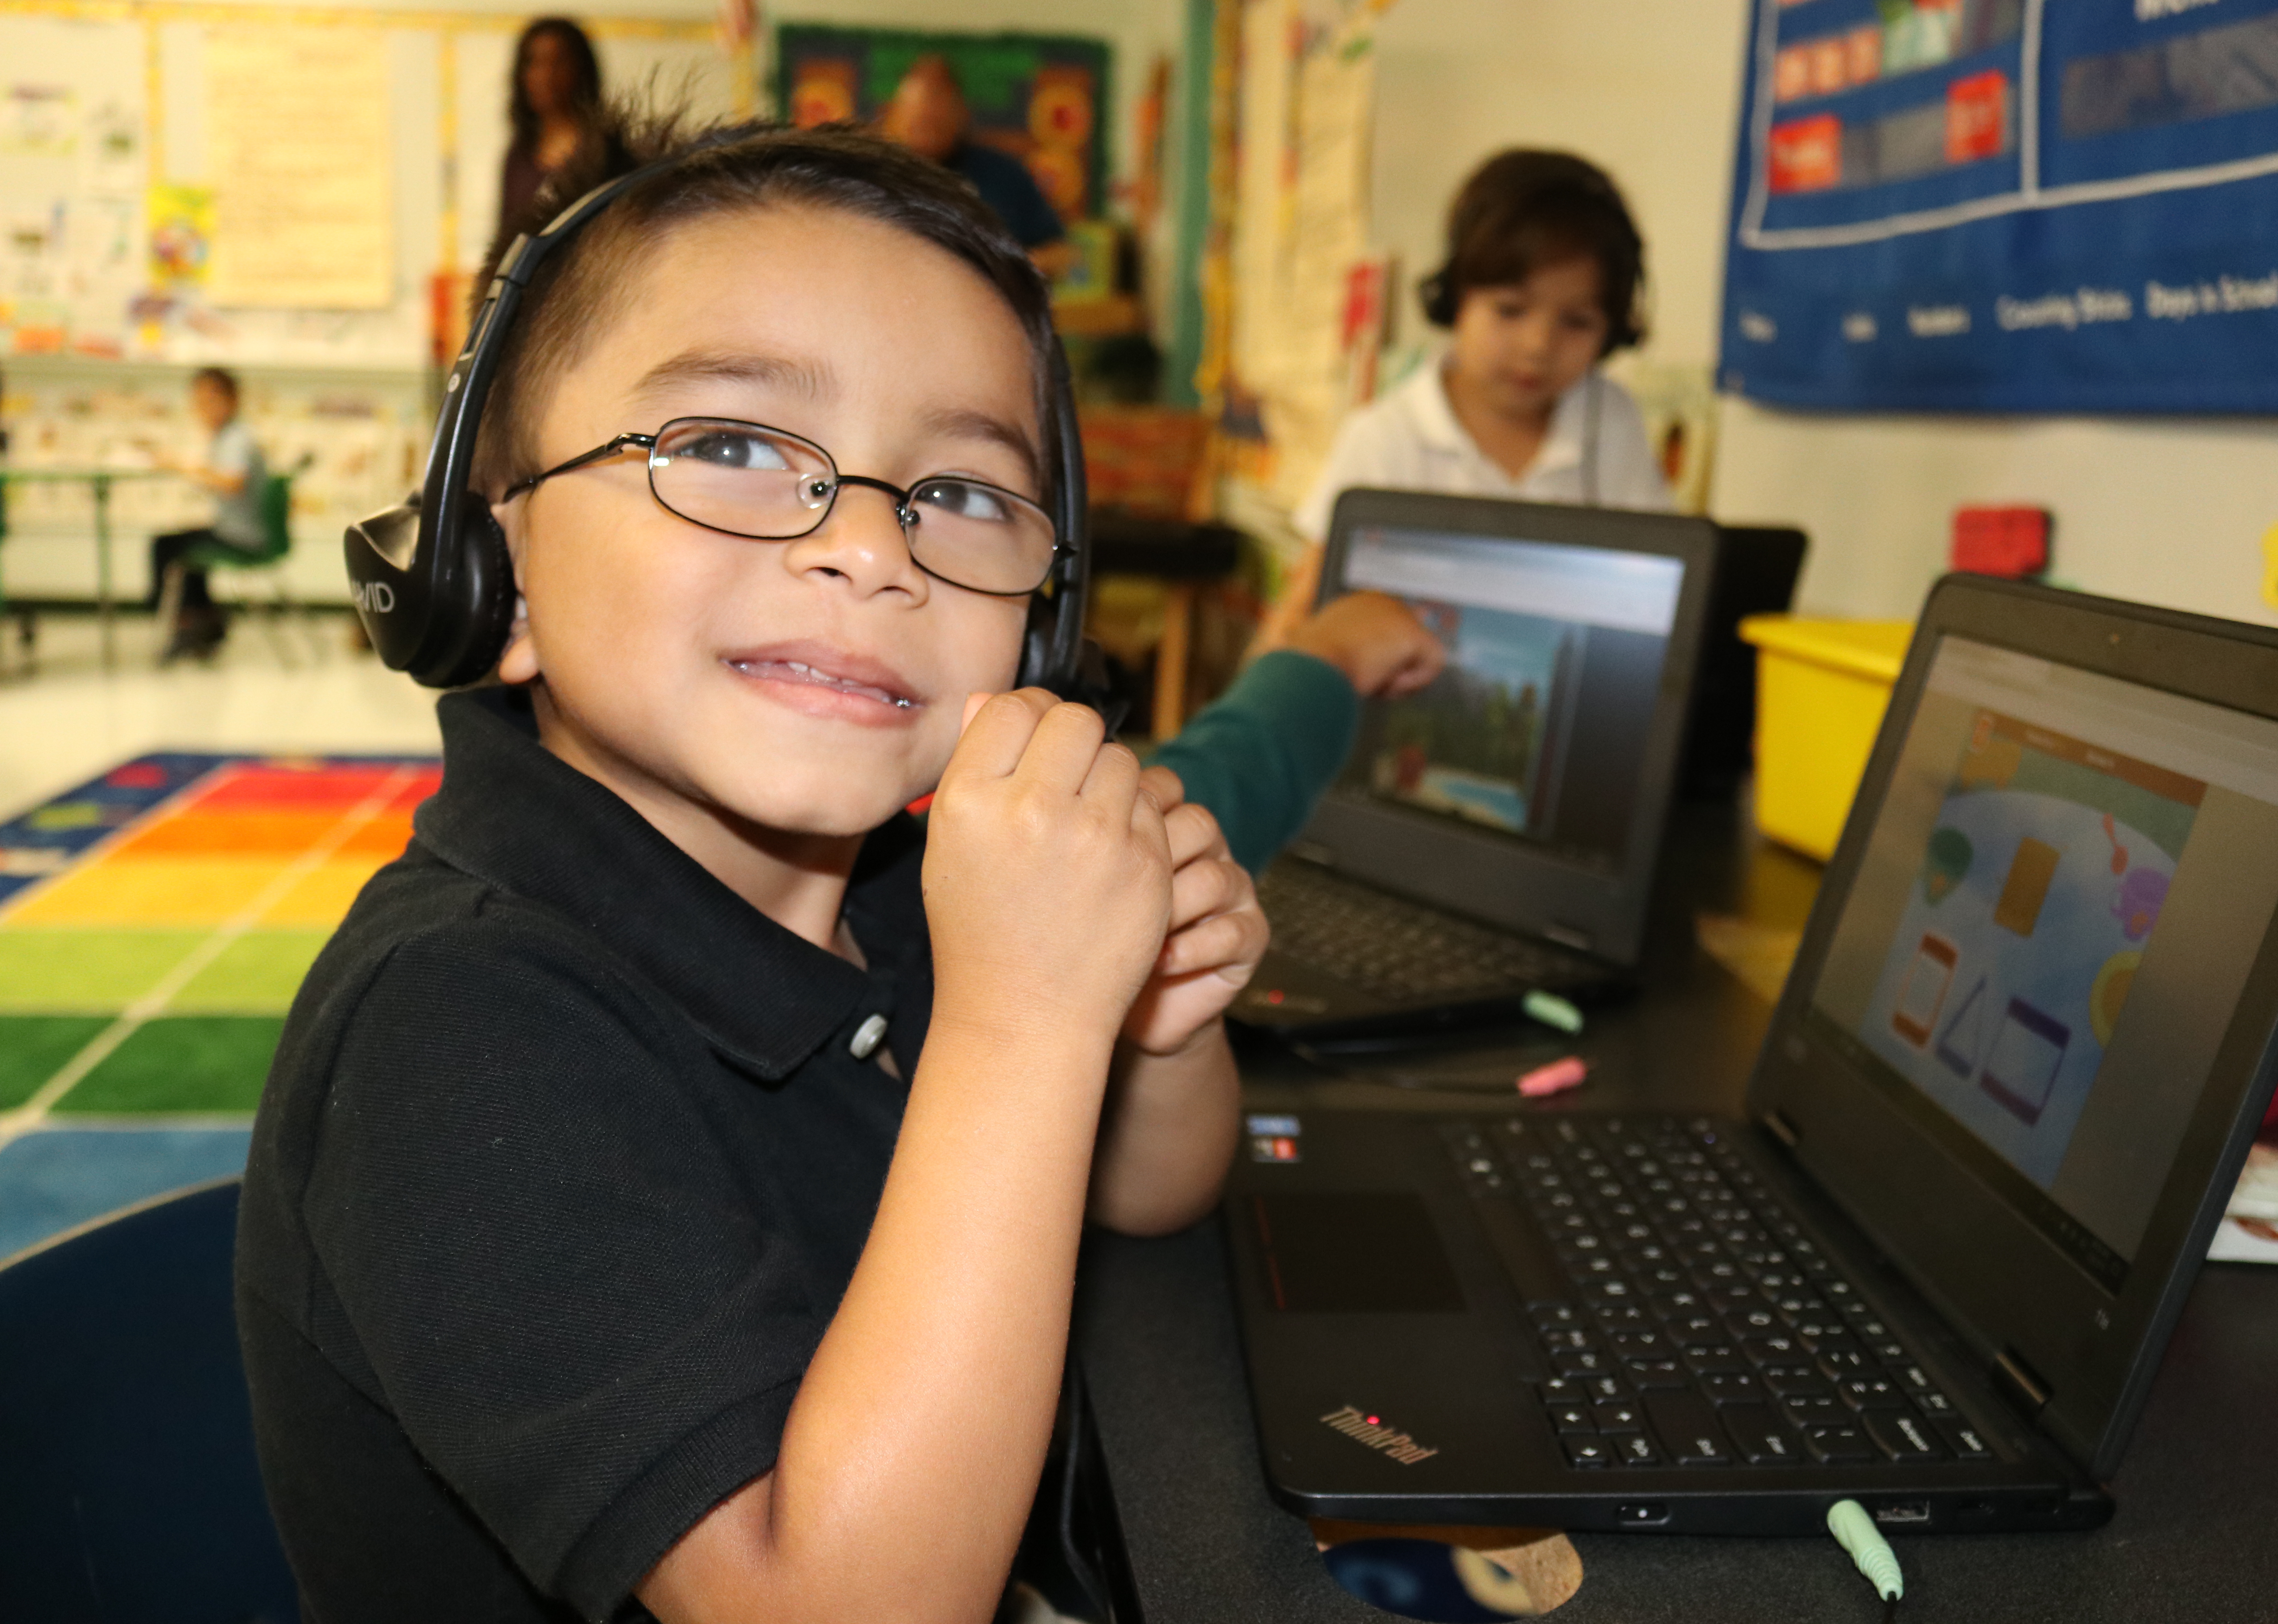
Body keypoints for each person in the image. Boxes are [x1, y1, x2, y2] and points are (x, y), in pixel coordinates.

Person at [232, 119, 1431, 1624]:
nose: (873, 547)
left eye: (962, 494)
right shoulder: (453, 1030)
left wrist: (1158, 1010)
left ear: (1042, 631)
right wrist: (1026, 1019)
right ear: (494, 574)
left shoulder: (900, 883)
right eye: (730, 446)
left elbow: (1151, 1187)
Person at [1293, 149, 1673, 545]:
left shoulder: (1610, 418)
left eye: (1577, 322)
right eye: (1510, 311)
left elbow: (1660, 559)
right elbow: (1311, 601)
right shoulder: (1385, 439)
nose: (1538, 346)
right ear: (1456, 297)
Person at [877, 53, 1070, 277]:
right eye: (919, 122)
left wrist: (1006, 273)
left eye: (937, 117)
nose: (929, 121)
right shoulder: (869, 176)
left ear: (962, 114)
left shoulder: (1004, 174)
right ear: (891, 116)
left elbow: (1061, 254)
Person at [149, 366, 266, 662]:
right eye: (199, 403)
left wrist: (181, 467)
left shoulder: (237, 438)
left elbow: (232, 483)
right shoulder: (228, 436)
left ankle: (181, 620)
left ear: (232, 400)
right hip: (236, 528)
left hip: (242, 534)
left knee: (167, 547)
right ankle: (204, 621)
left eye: (212, 401)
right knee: (189, 551)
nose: (204, 410)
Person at [498, 18, 625, 236]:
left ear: (581, 70)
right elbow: (505, 237)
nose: (544, 76)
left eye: (557, 63)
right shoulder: (519, 155)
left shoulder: (607, 151)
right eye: (533, 63)